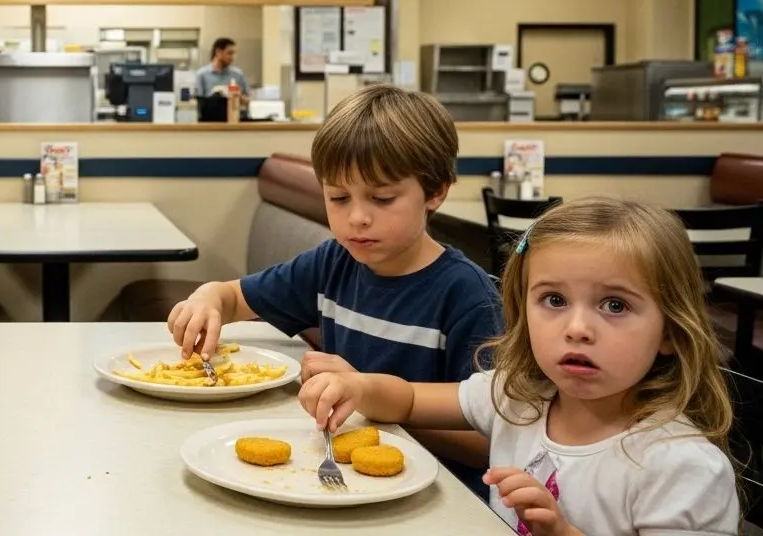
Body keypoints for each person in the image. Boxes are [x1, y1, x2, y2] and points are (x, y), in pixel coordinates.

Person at [299, 197, 738, 536]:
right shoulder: (518, 396)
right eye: (554, 300)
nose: (577, 328)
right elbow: (411, 400)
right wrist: (359, 388)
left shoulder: (682, 468)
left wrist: (563, 533)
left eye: (615, 305)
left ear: (670, 331)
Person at [167, 84, 503, 494]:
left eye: (382, 198)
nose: (357, 217)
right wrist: (208, 299)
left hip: (439, 499)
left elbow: (489, 443)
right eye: (339, 197)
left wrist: (370, 397)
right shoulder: (333, 263)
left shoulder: (467, 297)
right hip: (343, 484)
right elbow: (235, 297)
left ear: (435, 192)